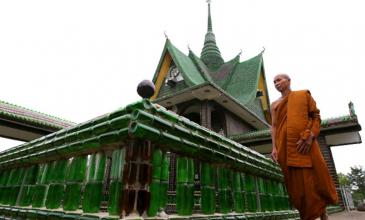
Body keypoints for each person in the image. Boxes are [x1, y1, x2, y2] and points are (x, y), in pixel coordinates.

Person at [270, 74, 338, 220]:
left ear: (289, 81)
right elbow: (274, 126)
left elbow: (316, 116)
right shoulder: (274, 104)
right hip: (285, 148)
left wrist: (311, 136)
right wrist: (274, 148)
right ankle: (306, 215)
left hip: (306, 143)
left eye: (279, 80)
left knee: (316, 178)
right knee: (297, 186)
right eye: (274, 82)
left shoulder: (303, 95)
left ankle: (322, 213)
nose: (276, 83)